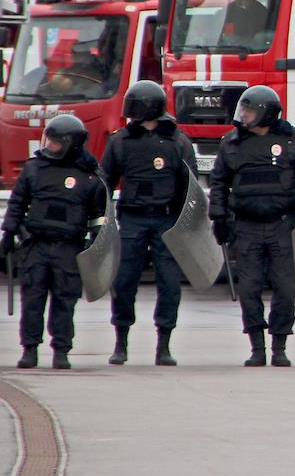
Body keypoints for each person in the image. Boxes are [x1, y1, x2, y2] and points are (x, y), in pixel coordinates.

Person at [209, 85, 295, 368]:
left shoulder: (293, 141)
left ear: (266, 113)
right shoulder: (232, 144)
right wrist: (219, 218)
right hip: (246, 226)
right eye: (242, 109)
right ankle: (257, 346)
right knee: (249, 288)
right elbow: (219, 183)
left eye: (249, 110)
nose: (243, 115)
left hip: (281, 225)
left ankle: (279, 345)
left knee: (285, 288)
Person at [101, 80, 198, 367]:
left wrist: (187, 226)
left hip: (166, 220)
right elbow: (104, 180)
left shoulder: (178, 142)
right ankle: (121, 341)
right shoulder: (120, 141)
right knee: (124, 280)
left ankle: (164, 345)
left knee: (169, 284)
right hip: (132, 218)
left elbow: (189, 187)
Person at [1, 115, 108, 370]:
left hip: (68, 248)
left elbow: (99, 215)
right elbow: (17, 203)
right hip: (36, 245)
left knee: (64, 300)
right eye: (49, 141)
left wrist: (97, 244)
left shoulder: (90, 176)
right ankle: (29, 349)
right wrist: (8, 233)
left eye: (56, 142)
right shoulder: (34, 168)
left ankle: (61, 350)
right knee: (33, 300)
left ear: (70, 143)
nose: (49, 145)